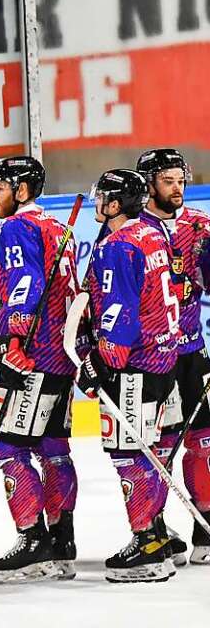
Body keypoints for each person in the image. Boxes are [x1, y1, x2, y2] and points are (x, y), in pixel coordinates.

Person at [78, 169, 178, 583]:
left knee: (128, 453)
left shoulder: (118, 246)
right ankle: (156, 532)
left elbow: (119, 310)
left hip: (133, 364)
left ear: (116, 204)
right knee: (146, 450)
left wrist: (103, 362)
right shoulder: (152, 234)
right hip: (162, 360)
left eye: (103, 196)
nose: (98, 202)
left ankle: (149, 547)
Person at [0, 157, 80, 583]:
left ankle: (32, 539)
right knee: (54, 449)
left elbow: (25, 283)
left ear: (22, 191)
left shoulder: (14, 228)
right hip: (62, 357)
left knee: (9, 449)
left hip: (32, 358)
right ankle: (62, 540)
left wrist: (13, 339)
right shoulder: (59, 228)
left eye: (2, 186)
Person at [136, 148, 210, 565]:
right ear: (149, 184)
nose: (177, 188)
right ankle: (156, 527)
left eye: (180, 179)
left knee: (204, 441)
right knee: (158, 446)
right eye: (168, 180)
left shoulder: (199, 225)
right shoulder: (130, 229)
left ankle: (206, 524)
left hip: (191, 353)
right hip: (152, 359)